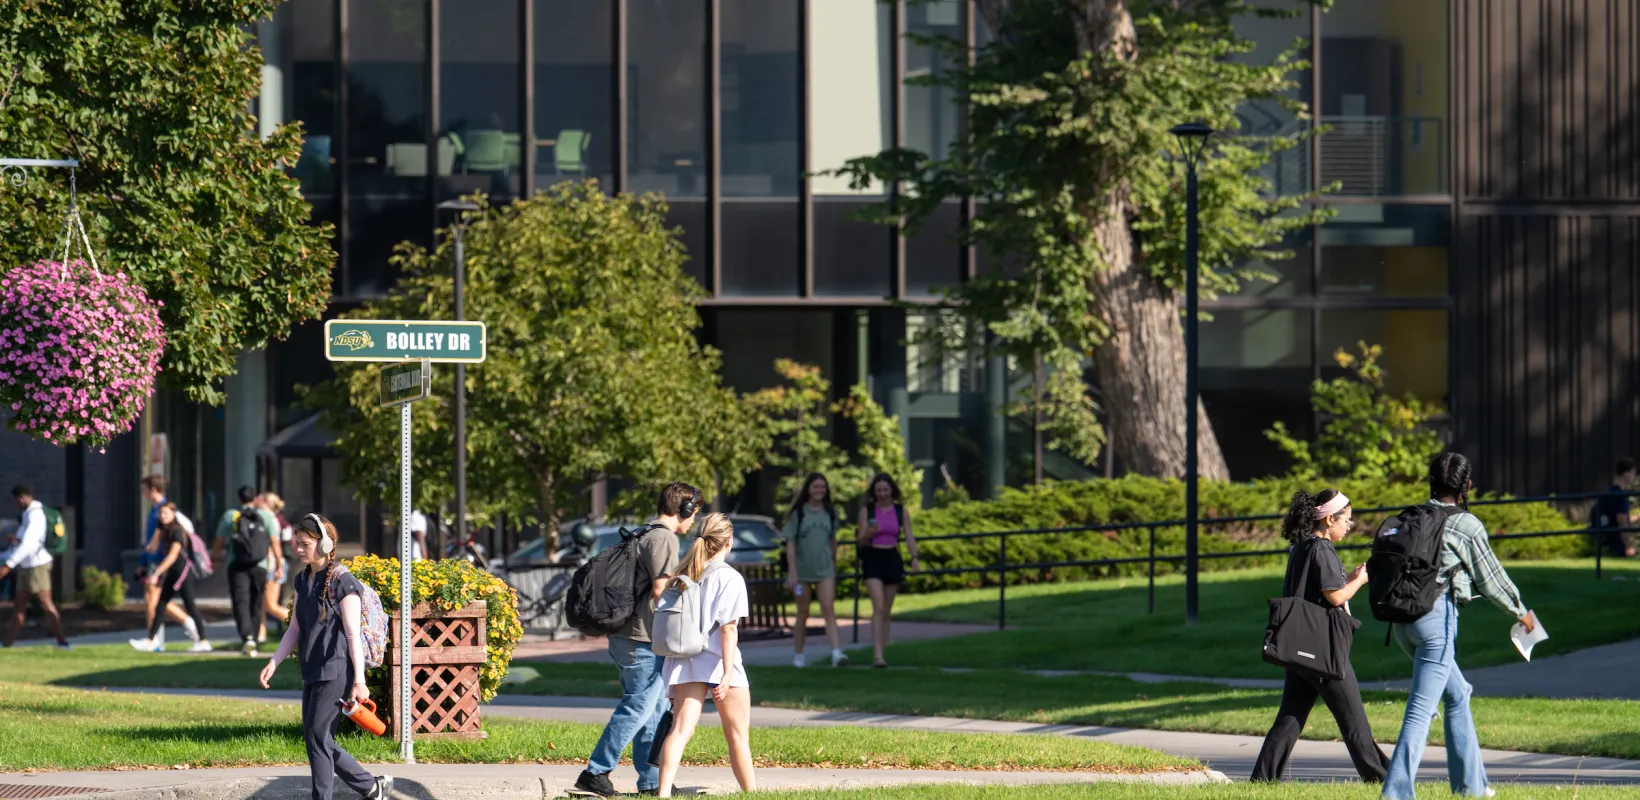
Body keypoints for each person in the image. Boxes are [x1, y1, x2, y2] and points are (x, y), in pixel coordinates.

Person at [1382, 452, 1538, 800]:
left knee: (1458, 693)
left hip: (1403, 625)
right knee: (1420, 711)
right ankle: (1395, 794)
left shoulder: (1414, 516)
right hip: (1436, 622)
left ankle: (1472, 787)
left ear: (1431, 482)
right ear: (1467, 486)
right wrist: (1522, 613)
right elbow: (1492, 579)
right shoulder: (1467, 524)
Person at [1251, 489, 1388, 783]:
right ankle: (1385, 780)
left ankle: (1262, 780)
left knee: (1289, 719)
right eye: (1346, 521)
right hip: (1323, 650)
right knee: (1354, 721)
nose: (1348, 527)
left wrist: (1348, 578)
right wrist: (1361, 580)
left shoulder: (1301, 546)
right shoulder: (1322, 549)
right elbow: (1335, 597)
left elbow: (1317, 591)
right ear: (1329, 520)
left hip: (1299, 647)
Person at [572, 482, 696, 797]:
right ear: (684, 508)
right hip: (641, 638)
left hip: (630, 636)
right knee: (638, 707)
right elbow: (660, 590)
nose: (695, 519)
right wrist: (691, 592)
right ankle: (595, 772)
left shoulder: (644, 532)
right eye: (694, 511)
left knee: (652, 711)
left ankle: (652, 782)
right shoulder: (664, 538)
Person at [259, 513, 394, 800]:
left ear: (324, 545)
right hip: (312, 667)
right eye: (296, 543)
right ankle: (372, 787)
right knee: (316, 738)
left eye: (304, 543)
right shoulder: (302, 580)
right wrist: (274, 661)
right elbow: (294, 628)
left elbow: (352, 634)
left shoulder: (343, 582)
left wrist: (359, 681)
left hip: (336, 670)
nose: (297, 549)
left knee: (318, 738)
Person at [654, 513, 756, 797]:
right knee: (737, 735)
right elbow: (728, 630)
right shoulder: (730, 577)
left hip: (685, 659)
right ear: (729, 541)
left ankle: (663, 793)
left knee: (680, 730)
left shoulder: (684, 574)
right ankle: (751, 793)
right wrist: (726, 673)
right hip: (719, 661)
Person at [128, 502, 213, 653]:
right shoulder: (164, 530)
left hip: (183, 573)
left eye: (166, 513)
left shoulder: (177, 531)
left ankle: (204, 641)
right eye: (161, 513)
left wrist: (156, 573)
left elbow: (173, 556)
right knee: (161, 605)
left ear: (174, 514)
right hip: (173, 573)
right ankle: (150, 640)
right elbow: (152, 548)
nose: (162, 516)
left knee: (190, 606)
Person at [783, 472, 848, 668]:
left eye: (822, 487)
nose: (819, 490)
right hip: (802, 572)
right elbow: (790, 544)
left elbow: (832, 540)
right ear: (808, 489)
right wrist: (792, 572)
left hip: (825, 570)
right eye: (815, 487)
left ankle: (837, 653)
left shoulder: (830, 512)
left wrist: (834, 563)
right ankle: (799, 655)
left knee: (828, 609)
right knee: (803, 612)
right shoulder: (799, 514)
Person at [212, 486, 281, 657]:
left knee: (240, 601)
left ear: (239, 499)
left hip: (237, 564)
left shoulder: (231, 516)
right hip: (260, 565)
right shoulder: (265, 516)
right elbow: (274, 542)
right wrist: (279, 564)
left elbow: (219, 541)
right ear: (255, 498)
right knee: (256, 603)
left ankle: (247, 638)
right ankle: (255, 640)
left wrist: (214, 559)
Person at [858, 473, 918, 669]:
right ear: (873, 492)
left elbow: (909, 535)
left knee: (887, 610)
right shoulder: (867, 511)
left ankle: (881, 652)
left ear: (892, 490)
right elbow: (859, 541)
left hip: (892, 557)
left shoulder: (901, 511)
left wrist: (914, 558)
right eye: (878, 491)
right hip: (873, 558)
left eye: (885, 490)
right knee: (879, 605)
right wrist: (868, 533)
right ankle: (877, 656)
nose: (882, 494)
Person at [0, 485, 71, 649]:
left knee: (45, 603)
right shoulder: (27, 515)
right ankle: (7, 643)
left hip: (37, 566)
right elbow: (25, 542)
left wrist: (8, 565)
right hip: (26, 566)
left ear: (23, 498)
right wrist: (15, 540)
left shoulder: (36, 515)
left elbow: (30, 544)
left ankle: (63, 642)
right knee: (19, 604)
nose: (16, 504)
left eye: (16, 500)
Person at [140, 476, 200, 648]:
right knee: (155, 599)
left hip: (163, 561)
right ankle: (157, 637)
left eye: (144, 489)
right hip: (153, 560)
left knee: (155, 599)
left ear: (152, 489)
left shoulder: (166, 510)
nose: (143, 493)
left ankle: (155, 640)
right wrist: (143, 561)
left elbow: (181, 535)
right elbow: (151, 540)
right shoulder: (154, 510)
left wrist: (161, 563)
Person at [260, 493, 293, 642]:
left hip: (273, 565)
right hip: (273, 564)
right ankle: (260, 636)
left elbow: (275, 544)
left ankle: (303, 624)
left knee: (270, 605)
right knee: (261, 605)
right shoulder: (277, 520)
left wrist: (279, 566)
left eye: (262, 500)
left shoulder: (270, 520)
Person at [1592, 457, 1637, 559]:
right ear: (1626, 473)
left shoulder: (1610, 492)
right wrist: (1629, 547)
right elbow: (1622, 522)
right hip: (1617, 543)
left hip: (1607, 539)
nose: (1634, 477)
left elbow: (1616, 519)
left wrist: (1636, 518)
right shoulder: (1620, 496)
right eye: (1633, 473)